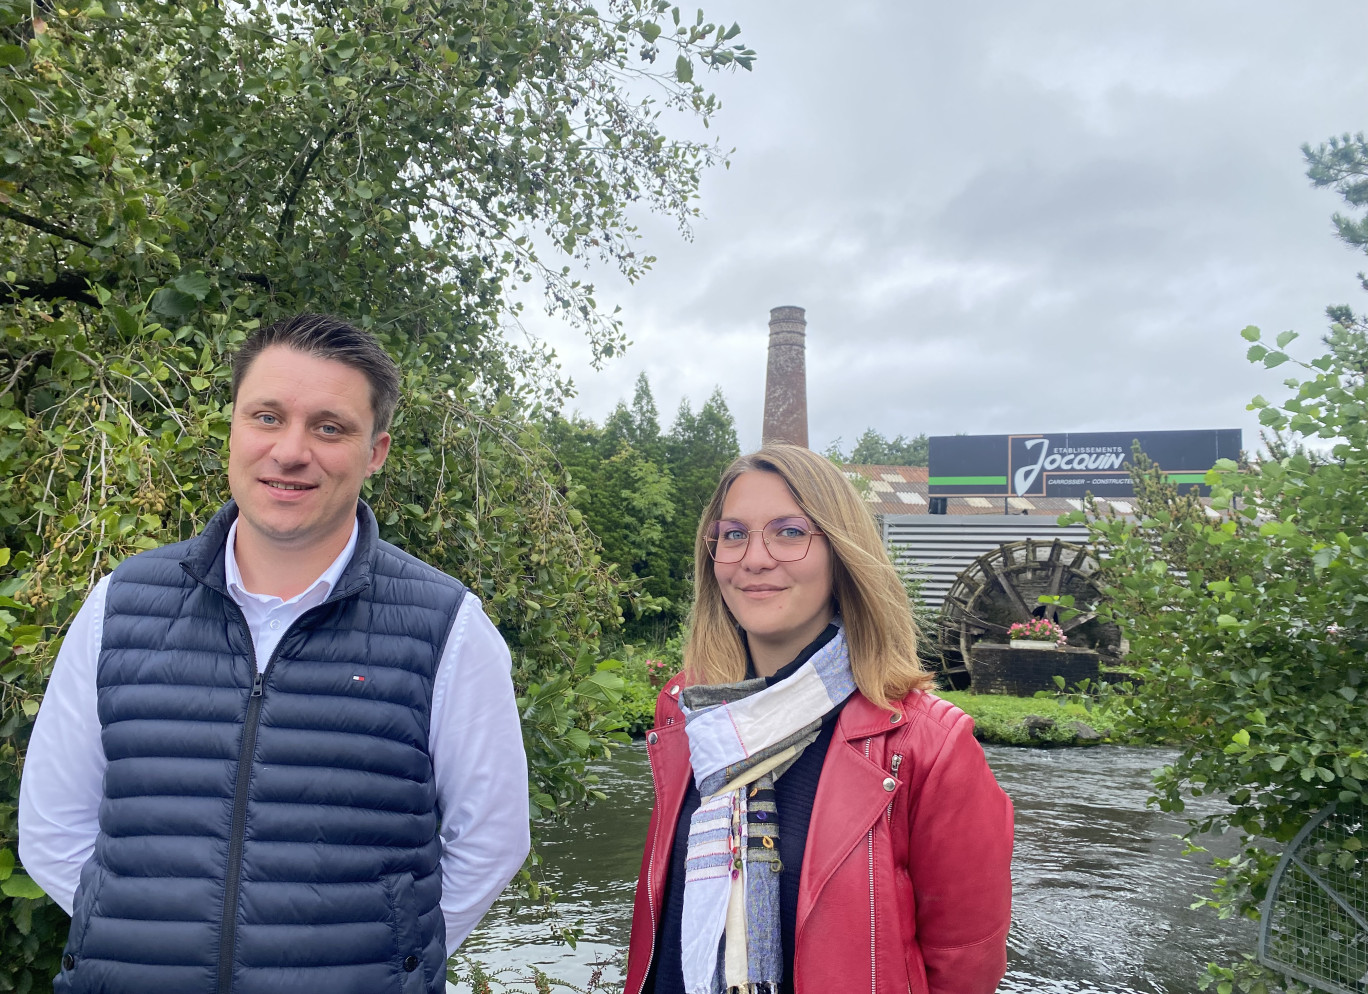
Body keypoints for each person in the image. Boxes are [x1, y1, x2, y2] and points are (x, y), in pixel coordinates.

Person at [18, 314, 530, 994]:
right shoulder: (120, 605)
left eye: (329, 427)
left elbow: (492, 841)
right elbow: (54, 827)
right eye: (266, 416)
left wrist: (388, 961)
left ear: (376, 451)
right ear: (232, 425)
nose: (290, 451)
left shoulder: (449, 627)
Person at [623, 443, 1013, 994]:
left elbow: (963, 966)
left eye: (789, 531)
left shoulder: (927, 746)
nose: (754, 558)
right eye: (733, 535)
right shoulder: (693, 718)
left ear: (841, 552)